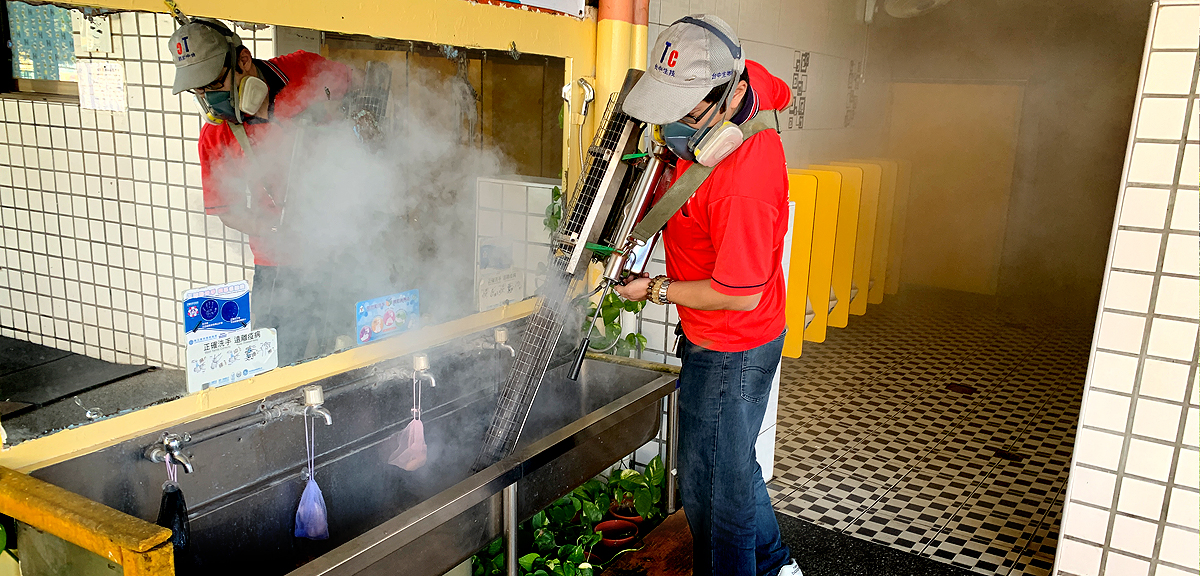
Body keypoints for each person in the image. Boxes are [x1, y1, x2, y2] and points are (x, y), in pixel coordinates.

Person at [614, 15, 803, 576]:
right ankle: (775, 566)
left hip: (732, 345)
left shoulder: (745, 183)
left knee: (712, 492)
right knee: (733, 468)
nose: (674, 122)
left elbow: (738, 295)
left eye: (687, 109)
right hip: (724, 335)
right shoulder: (745, 86)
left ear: (731, 93)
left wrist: (655, 290)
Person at [167, 19, 352, 364]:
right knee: (275, 368)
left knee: (349, 355)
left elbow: (354, 87)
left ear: (243, 60)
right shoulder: (215, 138)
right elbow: (227, 209)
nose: (210, 99)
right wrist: (273, 230)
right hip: (278, 266)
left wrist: (355, 125)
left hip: (341, 254)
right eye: (200, 91)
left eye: (214, 83)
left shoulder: (303, 70)